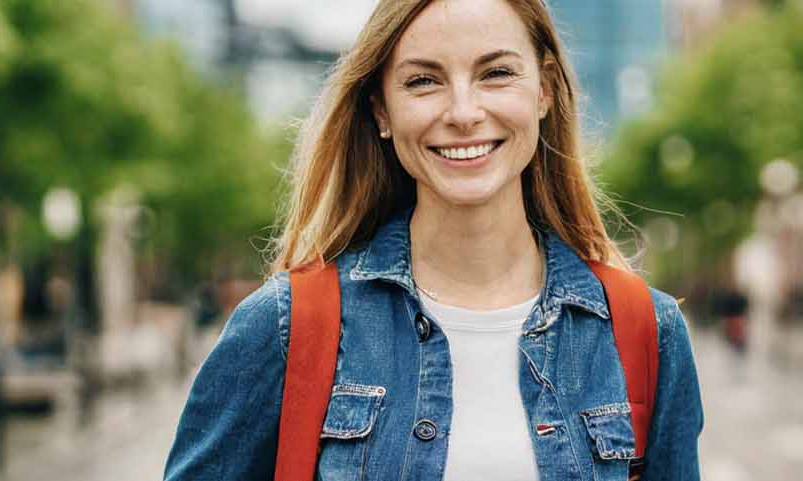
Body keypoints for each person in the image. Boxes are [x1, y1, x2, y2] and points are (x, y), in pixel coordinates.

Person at [163, 0, 703, 479]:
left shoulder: (646, 332)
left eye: (495, 73)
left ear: (544, 91)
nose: (464, 113)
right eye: (424, 81)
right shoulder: (286, 324)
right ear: (381, 112)